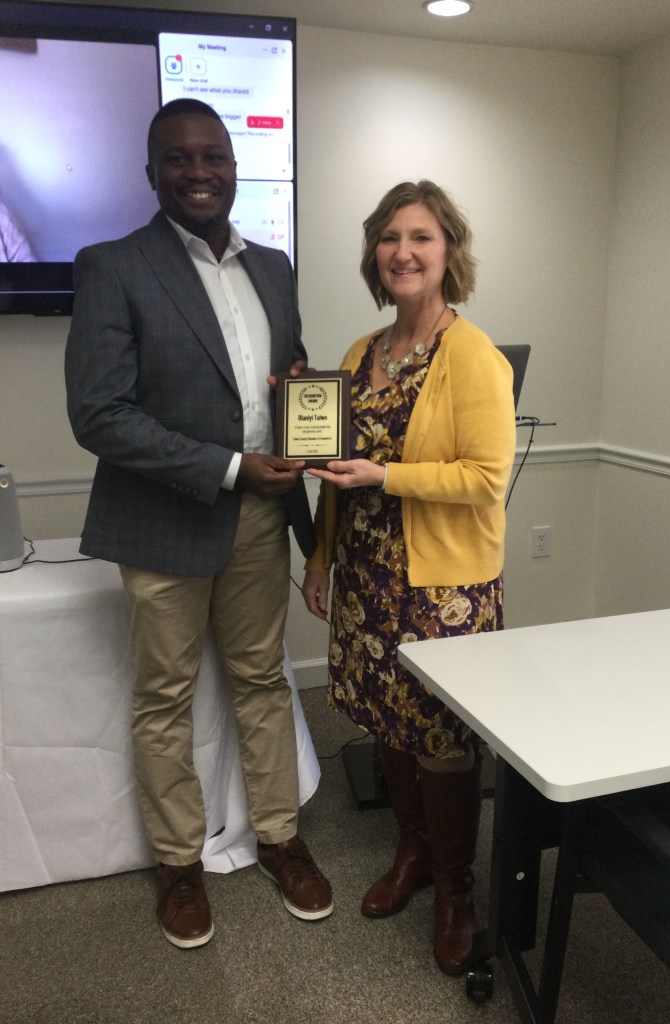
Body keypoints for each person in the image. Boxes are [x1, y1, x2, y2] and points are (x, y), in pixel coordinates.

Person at [65, 98, 333, 950]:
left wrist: (300, 403)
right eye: (179, 159)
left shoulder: (276, 265)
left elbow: (279, 379)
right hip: (164, 519)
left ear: (234, 164)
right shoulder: (112, 265)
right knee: (164, 697)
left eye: (213, 156)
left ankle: (281, 839)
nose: (200, 172)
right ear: (152, 174)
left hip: (262, 515)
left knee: (262, 679)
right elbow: (99, 413)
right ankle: (179, 864)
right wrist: (227, 466)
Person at [301, 180, 516, 975]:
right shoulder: (362, 354)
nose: (404, 251)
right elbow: (335, 472)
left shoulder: (475, 357)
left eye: (421, 236)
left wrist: (386, 476)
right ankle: (412, 854)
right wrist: (320, 559)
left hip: (443, 588)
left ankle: (457, 888)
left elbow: (485, 479)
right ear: (375, 254)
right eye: (390, 237)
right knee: (386, 725)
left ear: (448, 252)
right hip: (366, 577)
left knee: (442, 742)